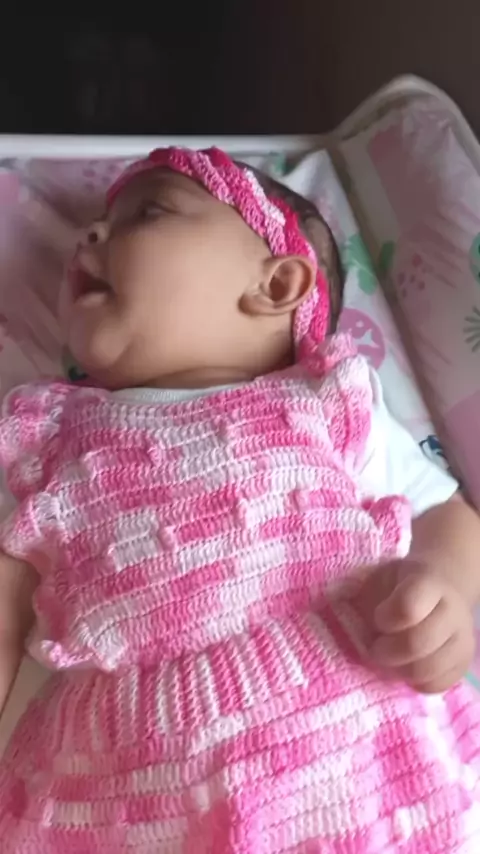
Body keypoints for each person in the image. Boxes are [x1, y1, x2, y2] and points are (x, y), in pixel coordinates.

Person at [0, 146, 479, 852]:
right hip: (132, 779)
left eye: (149, 213)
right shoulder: (49, 438)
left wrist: (442, 588)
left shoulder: (325, 403)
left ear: (277, 283)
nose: (91, 235)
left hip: (351, 736)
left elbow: (447, 514)